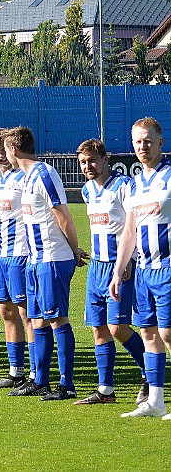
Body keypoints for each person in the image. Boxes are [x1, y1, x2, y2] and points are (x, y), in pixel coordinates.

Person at [4, 126, 87, 400]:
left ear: (14, 150)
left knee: (57, 319)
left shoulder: (44, 173)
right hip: (35, 260)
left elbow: (63, 215)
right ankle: (40, 380)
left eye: (6, 150)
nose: (6, 155)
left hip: (52, 258)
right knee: (37, 320)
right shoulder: (26, 178)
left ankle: (67, 384)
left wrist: (74, 251)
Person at [74, 138, 147, 405]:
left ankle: (148, 375)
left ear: (106, 159)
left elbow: (135, 227)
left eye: (92, 160)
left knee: (118, 327)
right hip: (96, 267)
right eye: (83, 162)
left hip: (121, 266)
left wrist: (127, 262)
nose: (88, 166)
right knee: (99, 329)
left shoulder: (123, 186)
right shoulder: (86, 191)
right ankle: (106, 390)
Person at [110, 117, 171, 418]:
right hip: (145, 271)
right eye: (137, 141)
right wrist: (119, 268)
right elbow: (129, 232)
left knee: (169, 333)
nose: (143, 146)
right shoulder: (134, 185)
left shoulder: (170, 177)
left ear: (161, 142)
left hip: (169, 267)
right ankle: (156, 401)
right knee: (148, 333)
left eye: (148, 140)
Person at [0, 129, 34, 389]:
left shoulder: (24, 175)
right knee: (5, 310)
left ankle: (36, 373)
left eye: (2, 150)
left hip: (22, 253)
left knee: (26, 313)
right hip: (1, 254)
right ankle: (16, 371)